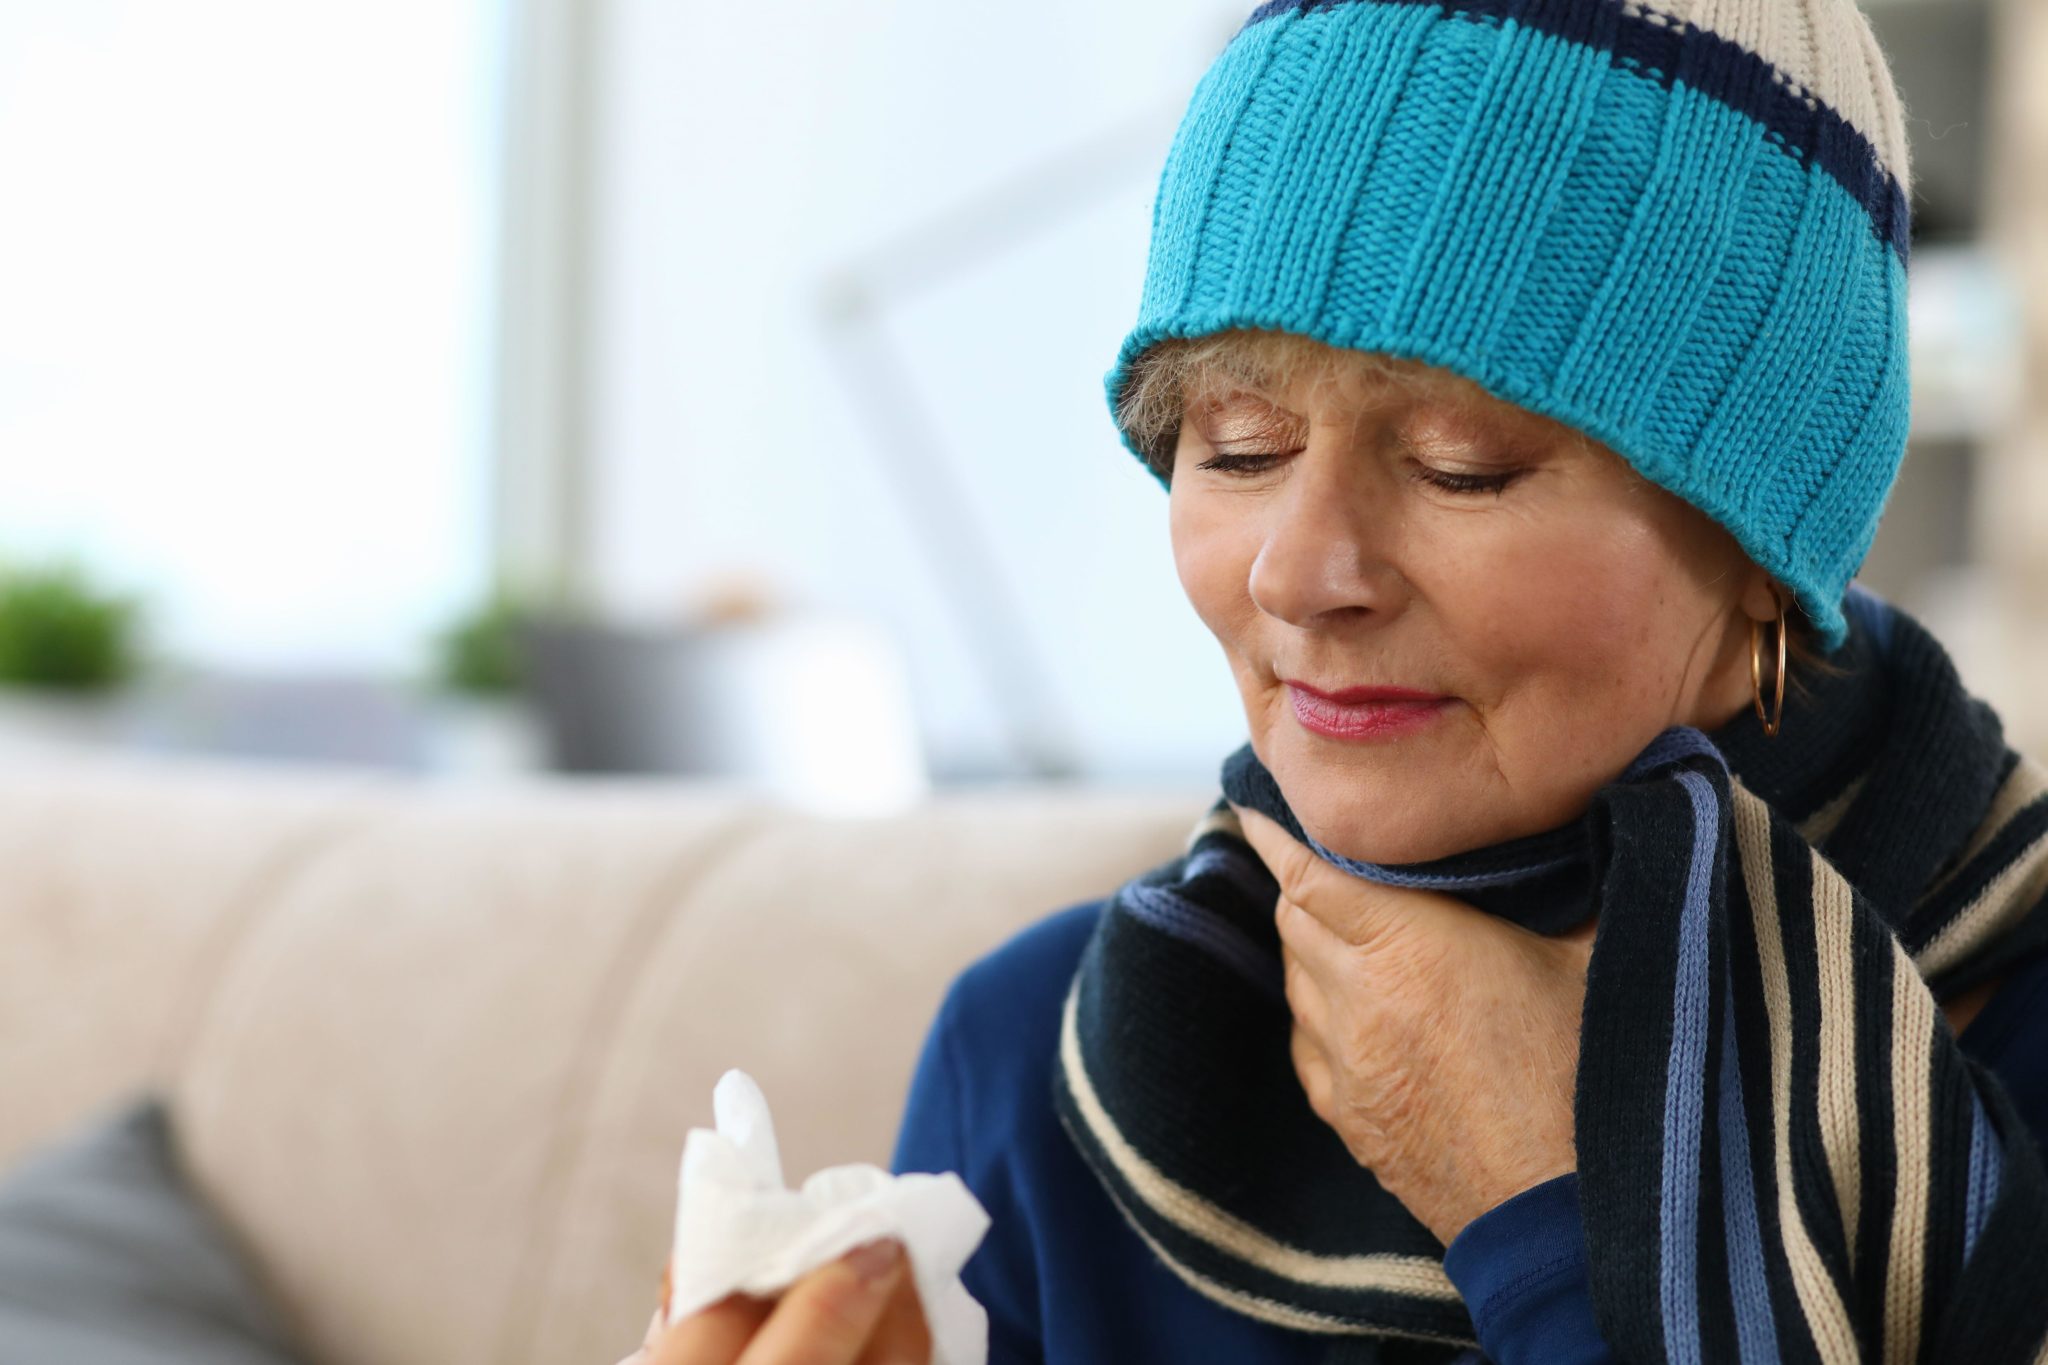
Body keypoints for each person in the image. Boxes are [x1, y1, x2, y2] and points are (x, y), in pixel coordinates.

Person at [630, 0, 2048, 1360]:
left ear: (1760, 532)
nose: (1299, 573)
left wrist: (1538, 1191)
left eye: (1460, 466)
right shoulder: (1036, 1067)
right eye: (1238, 444)